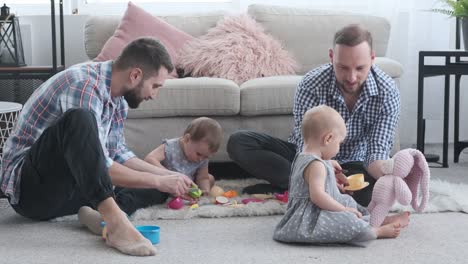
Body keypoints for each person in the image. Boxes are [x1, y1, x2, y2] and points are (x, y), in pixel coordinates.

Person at [0, 37, 194, 256]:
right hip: (31, 191)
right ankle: (115, 222)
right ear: (135, 75)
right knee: (79, 119)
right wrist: (158, 179)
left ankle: (96, 215)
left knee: (157, 188)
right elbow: (99, 163)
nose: (154, 95)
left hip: (72, 186)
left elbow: (118, 154)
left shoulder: (119, 98)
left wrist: (167, 176)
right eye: (155, 86)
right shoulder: (83, 85)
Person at [227, 24, 400, 207]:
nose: (351, 77)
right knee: (239, 142)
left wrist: (392, 178)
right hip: (308, 158)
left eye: (359, 68)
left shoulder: (387, 92)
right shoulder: (311, 84)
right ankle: (313, 187)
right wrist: (322, 169)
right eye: (343, 67)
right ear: (332, 57)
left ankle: (297, 187)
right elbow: (306, 143)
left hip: (356, 163)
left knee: (372, 195)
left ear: (372, 58)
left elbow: (376, 153)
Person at [273, 105, 407, 245]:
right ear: (328, 139)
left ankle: (375, 220)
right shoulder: (317, 165)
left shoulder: (302, 157)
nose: (339, 148)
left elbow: (311, 177)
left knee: (347, 201)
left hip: (308, 211)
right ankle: (374, 231)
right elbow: (318, 196)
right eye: (339, 143)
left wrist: (329, 165)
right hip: (308, 218)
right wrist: (343, 210)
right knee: (346, 218)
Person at [145, 117, 223, 195]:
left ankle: (187, 192)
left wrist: (204, 190)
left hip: (188, 183)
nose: (201, 159)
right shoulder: (170, 147)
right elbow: (149, 159)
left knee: (209, 179)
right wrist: (167, 174)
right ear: (187, 139)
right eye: (198, 154)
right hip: (167, 180)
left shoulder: (202, 156)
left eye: (206, 157)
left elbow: (202, 177)